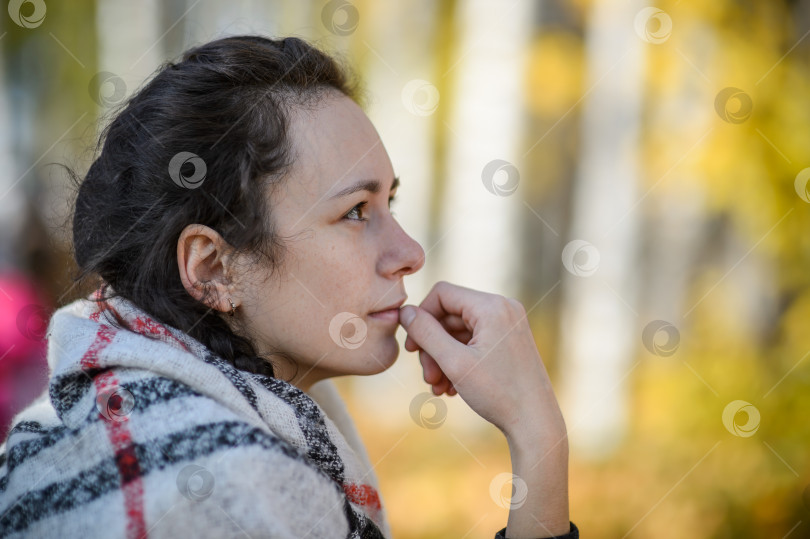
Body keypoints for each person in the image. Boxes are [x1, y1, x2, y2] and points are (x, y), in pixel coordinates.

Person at [0, 35, 578, 538]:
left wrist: (538, 440)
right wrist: (538, 437)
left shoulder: (121, 421)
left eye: (389, 202)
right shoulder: (222, 494)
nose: (410, 254)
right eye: (355, 211)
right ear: (213, 268)